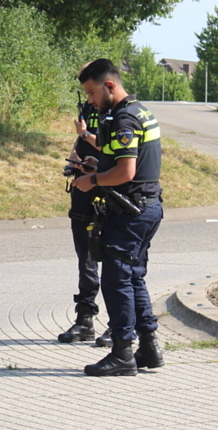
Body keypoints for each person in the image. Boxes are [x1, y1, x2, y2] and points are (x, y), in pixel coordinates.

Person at [70, 59, 164, 376]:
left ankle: (123, 352)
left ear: (110, 86)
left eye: (92, 92)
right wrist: (96, 168)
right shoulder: (138, 112)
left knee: (116, 279)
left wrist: (91, 181)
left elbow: (126, 171)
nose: (90, 101)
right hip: (144, 205)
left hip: (131, 210)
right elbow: (122, 167)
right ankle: (149, 347)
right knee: (134, 276)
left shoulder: (124, 119)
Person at [57, 97, 113, 347]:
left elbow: (112, 149)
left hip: (108, 190)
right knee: (85, 258)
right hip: (82, 191)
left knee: (114, 262)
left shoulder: (119, 113)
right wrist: (73, 160)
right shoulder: (89, 109)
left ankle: (118, 325)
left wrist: (86, 135)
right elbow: (80, 142)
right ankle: (85, 319)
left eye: (91, 90)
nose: (88, 96)